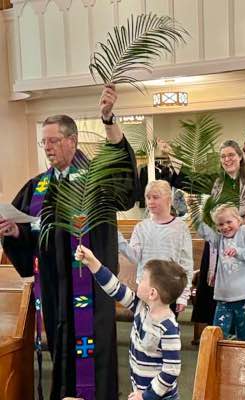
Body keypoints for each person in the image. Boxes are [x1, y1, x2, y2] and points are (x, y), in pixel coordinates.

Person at [0, 84, 139, 400]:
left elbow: (126, 182)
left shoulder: (97, 179)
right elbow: (29, 235)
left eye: (54, 141)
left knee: (95, 352)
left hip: (91, 286)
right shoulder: (39, 186)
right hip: (55, 288)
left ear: (72, 141)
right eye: (44, 141)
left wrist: (108, 120)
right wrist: (15, 232)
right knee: (61, 349)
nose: (47, 147)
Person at [174, 139, 245, 343]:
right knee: (216, 295)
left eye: (231, 155)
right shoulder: (216, 182)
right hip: (218, 243)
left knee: (243, 298)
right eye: (223, 156)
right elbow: (194, 185)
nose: (227, 159)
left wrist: (242, 225)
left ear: (240, 156)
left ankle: (242, 338)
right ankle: (216, 335)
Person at [75, 244, 187, 400]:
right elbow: (115, 288)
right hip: (141, 389)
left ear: (152, 293)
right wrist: (92, 262)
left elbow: (171, 370)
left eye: (142, 279)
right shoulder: (142, 307)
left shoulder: (168, 328)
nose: (138, 281)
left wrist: (147, 396)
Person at [117, 179, 193, 315]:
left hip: (170, 288)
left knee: (165, 330)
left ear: (168, 199)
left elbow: (186, 264)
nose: (151, 201)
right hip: (146, 287)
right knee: (143, 329)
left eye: (156, 197)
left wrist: (183, 295)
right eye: (148, 197)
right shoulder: (141, 227)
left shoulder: (181, 227)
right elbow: (135, 257)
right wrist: (118, 239)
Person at [197, 204, 245, 340]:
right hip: (223, 299)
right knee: (217, 337)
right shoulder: (220, 239)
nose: (225, 227)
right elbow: (203, 230)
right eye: (221, 224)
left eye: (229, 222)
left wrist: (238, 252)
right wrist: (197, 211)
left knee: (243, 338)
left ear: (238, 220)